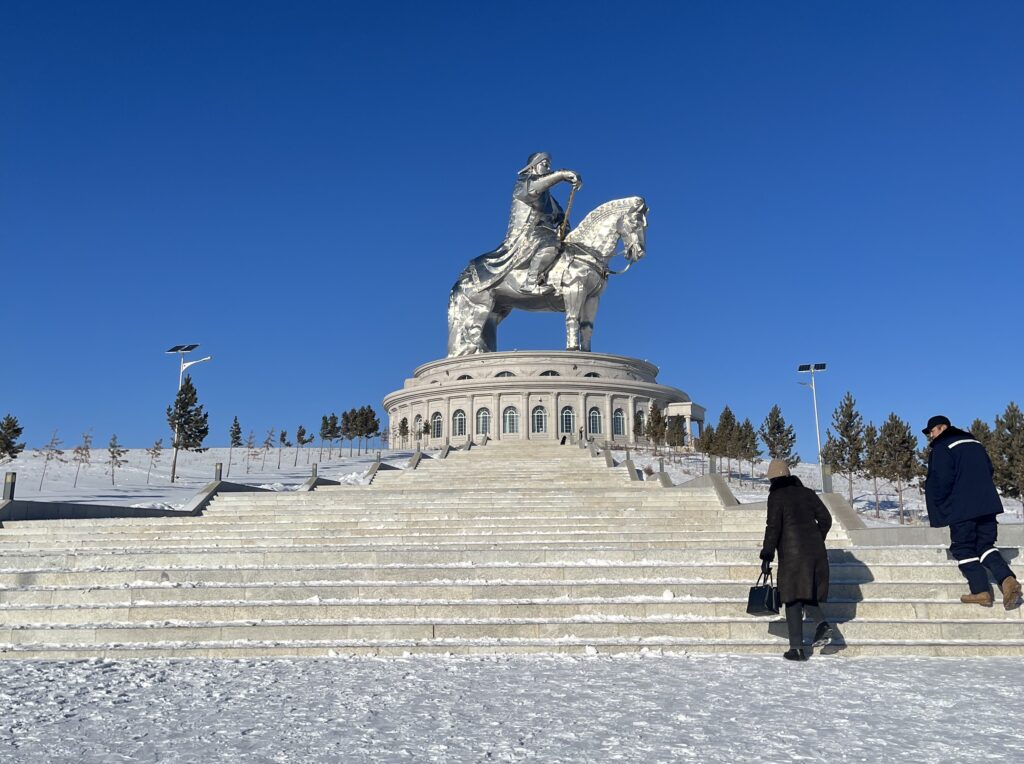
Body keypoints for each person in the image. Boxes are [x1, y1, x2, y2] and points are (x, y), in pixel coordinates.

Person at [923, 415, 1022, 609]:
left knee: (963, 548)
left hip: (962, 508)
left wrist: (940, 505)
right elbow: (989, 469)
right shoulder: (975, 443)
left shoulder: (943, 446)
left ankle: (980, 591)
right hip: (987, 504)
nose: (931, 437)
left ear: (942, 428)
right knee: (984, 545)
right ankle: (1008, 580)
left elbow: (941, 479)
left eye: (932, 432)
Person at [468, 152, 582, 295]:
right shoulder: (523, 183)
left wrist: (564, 230)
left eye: (549, 166)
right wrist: (561, 174)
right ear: (532, 167)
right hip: (527, 235)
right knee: (551, 246)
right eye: (545, 165)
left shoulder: (549, 198)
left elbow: (560, 216)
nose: (547, 169)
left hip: (544, 234)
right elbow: (534, 188)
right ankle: (531, 283)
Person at [759, 459, 834, 661]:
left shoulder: (776, 496)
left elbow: (773, 527)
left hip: (792, 554)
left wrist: (767, 555)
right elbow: (826, 519)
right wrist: (817, 538)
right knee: (805, 593)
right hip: (815, 552)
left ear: (773, 479)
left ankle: (797, 649)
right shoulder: (807, 493)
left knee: (792, 598)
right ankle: (821, 625)